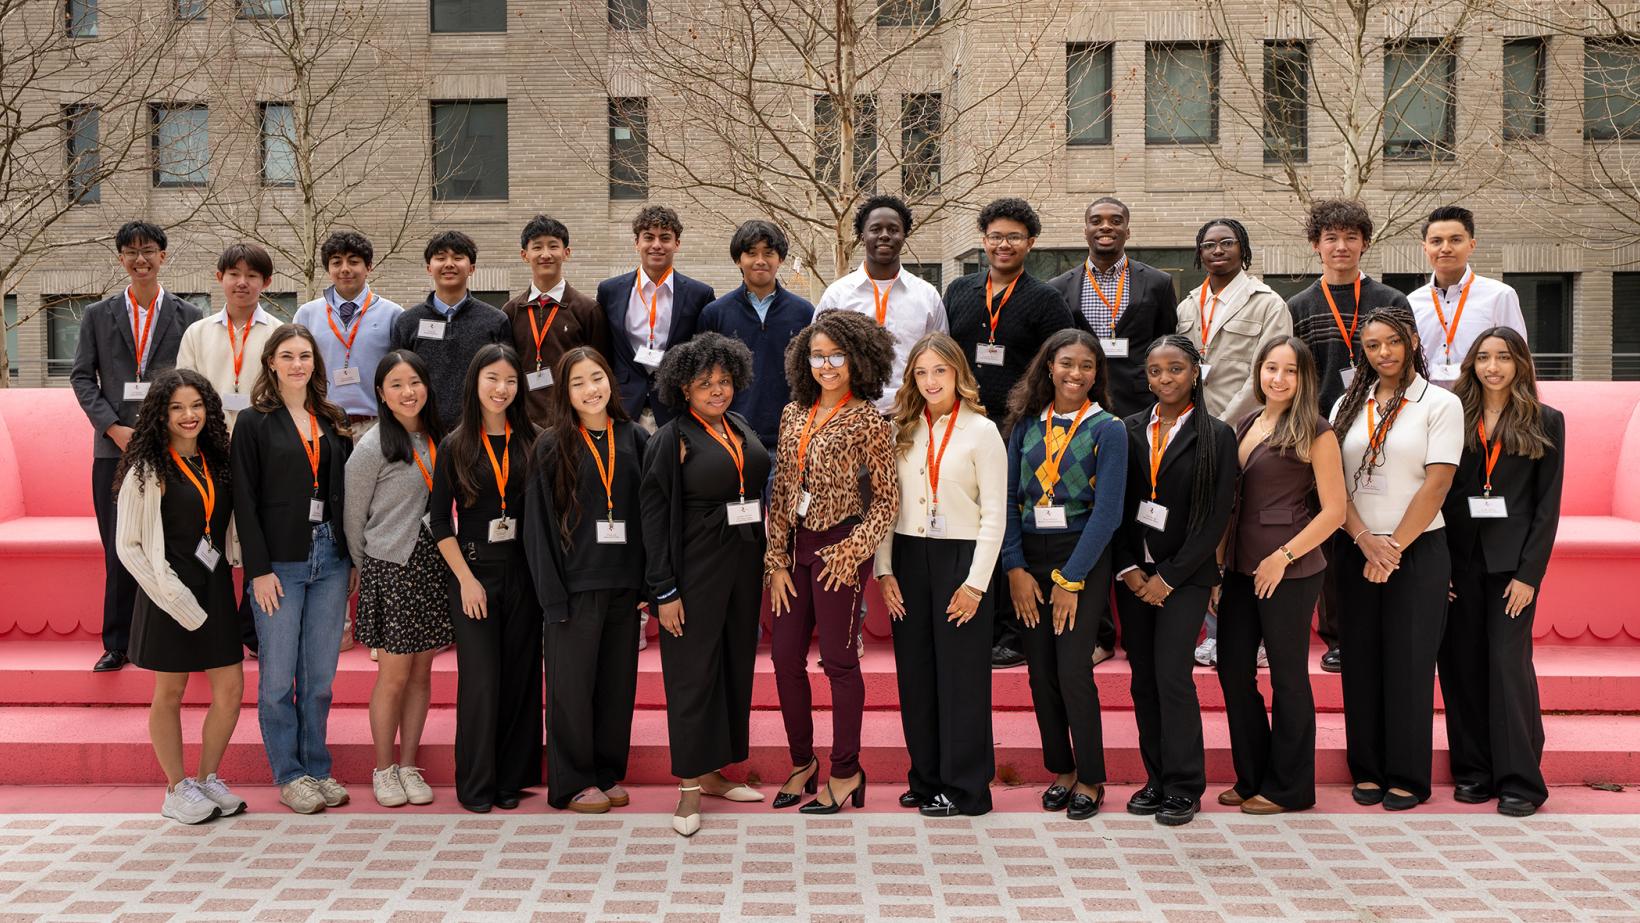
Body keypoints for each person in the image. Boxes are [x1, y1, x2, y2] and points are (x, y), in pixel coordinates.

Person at [639, 333, 772, 836]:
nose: (717, 391)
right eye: (704, 384)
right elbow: (652, 518)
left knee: (733, 668)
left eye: (724, 381)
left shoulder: (737, 424)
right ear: (683, 389)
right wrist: (664, 591)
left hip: (742, 564)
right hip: (694, 569)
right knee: (693, 675)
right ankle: (689, 791)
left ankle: (716, 774)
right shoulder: (670, 439)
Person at [766, 310, 898, 815]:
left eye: (837, 355)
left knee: (840, 664)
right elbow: (781, 489)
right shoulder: (793, 413)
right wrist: (775, 558)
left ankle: (846, 771)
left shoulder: (869, 419)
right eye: (818, 355)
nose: (827, 365)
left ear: (858, 359)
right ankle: (803, 762)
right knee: (783, 659)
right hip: (793, 550)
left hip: (840, 550)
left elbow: (885, 502)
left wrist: (851, 552)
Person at [943, 198, 1082, 670]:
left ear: (1031, 244)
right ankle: (972, 617)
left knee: (1004, 522)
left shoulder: (1045, 300)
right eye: (996, 236)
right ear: (983, 241)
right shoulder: (959, 290)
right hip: (963, 424)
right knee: (968, 518)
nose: (1004, 244)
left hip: (1018, 429)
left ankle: (1011, 632)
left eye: (1015, 237)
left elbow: (1059, 363)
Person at [1331, 306, 1461, 811]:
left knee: (1409, 663)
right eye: (1371, 346)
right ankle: (1366, 768)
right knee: (1360, 661)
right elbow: (1335, 484)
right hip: (1356, 544)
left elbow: (1439, 481)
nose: (1383, 353)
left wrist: (1392, 549)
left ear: (1410, 342)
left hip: (1416, 548)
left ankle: (1407, 775)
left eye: (1392, 342)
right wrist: (1365, 540)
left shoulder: (1440, 404)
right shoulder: (1347, 402)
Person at [875, 333, 1007, 817]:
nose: (931, 381)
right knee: (916, 675)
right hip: (909, 557)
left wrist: (975, 584)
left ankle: (966, 788)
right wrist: (885, 570)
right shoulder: (901, 428)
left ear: (958, 375)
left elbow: (995, 515)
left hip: (962, 559)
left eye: (941, 371)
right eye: (922, 372)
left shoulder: (981, 431)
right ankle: (926, 777)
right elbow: (889, 506)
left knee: (962, 679)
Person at [999, 329, 1128, 821]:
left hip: (1082, 557)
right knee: (1040, 673)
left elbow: (1109, 513)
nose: (1076, 374)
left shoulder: (1108, 429)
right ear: (1049, 367)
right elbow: (1009, 499)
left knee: (1073, 670)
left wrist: (1070, 580)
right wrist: (1013, 566)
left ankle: (1092, 777)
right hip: (1028, 558)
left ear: (1098, 373)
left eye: (1087, 366)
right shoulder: (1026, 423)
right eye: (1067, 364)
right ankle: (1062, 769)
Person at [1216, 336, 1347, 816]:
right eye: (1271, 368)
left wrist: (1283, 557)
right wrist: (1220, 564)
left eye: (1290, 371)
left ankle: (1290, 787)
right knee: (1233, 672)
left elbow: (1334, 512)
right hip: (1237, 567)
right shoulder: (1249, 421)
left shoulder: (1315, 430)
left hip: (1288, 572)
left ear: (1305, 378)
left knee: (1289, 678)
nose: (1278, 378)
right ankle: (1252, 775)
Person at [1112, 335, 1236, 826]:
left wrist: (1168, 576)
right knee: (1143, 681)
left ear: (1196, 372)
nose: (1166, 379)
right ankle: (1156, 778)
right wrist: (1129, 569)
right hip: (1135, 576)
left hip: (1183, 577)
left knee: (1172, 676)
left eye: (1176, 369)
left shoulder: (1217, 435)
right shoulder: (1128, 429)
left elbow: (1215, 518)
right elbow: (1116, 509)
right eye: (1156, 371)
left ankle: (1184, 785)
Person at [1439, 327, 1563, 817]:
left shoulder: (1547, 422)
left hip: (1513, 570)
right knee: (1461, 667)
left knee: (1507, 668)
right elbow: (1442, 493)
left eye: (1504, 358)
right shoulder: (1455, 415)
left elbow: (1546, 507)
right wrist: (1441, 565)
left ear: (1520, 364)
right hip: (1459, 563)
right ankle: (1473, 771)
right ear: (1472, 364)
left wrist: (1530, 575)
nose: (1493, 367)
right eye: (1484, 357)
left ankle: (1520, 780)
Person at [230, 324, 354, 814]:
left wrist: (352, 561)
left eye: (306, 355)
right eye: (288, 355)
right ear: (271, 364)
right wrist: (258, 571)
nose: (298, 363)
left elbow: (344, 495)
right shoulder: (254, 422)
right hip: (279, 562)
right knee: (278, 679)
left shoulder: (333, 417)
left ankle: (317, 768)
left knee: (320, 677)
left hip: (330, 557)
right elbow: (245, 499)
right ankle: (289, 772)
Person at [113, 368, 246, 824]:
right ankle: (176, 788)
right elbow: (128, 546)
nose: (188, 416)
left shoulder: (217, 460)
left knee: (231, 687)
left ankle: (207, 778)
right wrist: (170, 593)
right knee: (170, 691)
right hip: (168, 591)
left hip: (213, 586)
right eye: (176, 408)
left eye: (196, 406)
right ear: (160, 415)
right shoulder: (147, 470)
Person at [71, 220, 203, 672]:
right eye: (131, 252)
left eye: (148, 250)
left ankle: (178, 631)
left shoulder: (189, 317)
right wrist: (111, 427)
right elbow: (82, 377)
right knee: (119, 544)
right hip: (114, 450)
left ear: (163, 257)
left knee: (173, 543)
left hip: (171, 448)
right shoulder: (98, 315)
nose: (140, 259)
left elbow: (193, 383)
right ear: (121, 259)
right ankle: (118, 641)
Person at [1287, 200, 1411, 675]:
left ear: (1365, 242)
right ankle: (1338, 635)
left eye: (1351, 237)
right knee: (1334, 534)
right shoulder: (1298, 305)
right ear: (1316, 245)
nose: (1342, 246)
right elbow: (1296, 377)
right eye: (1331, 238)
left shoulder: (1391, 301)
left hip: (1381, 428)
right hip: (1320, 436)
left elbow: (1406, 364)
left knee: (1384, 522)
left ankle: (1390, 623)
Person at [523, 347, 648, 813]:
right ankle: (571, 780)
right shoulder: (552, 444)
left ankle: (605, 771)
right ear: (565, 393)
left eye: (597, 377)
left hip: (625, 586)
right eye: (577, 383)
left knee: (617, 688)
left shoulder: (635, 438)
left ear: (610, 382)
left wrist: (649, 587)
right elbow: (537, 525)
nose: (590, 389)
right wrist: (551, 596)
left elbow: (648, 517)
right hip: (573, 586)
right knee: (571, 689)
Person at [428, 344, 541, 813]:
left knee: (520, 678)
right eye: (492, 379)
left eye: (511, 381)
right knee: (480, 681)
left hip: (523, 572)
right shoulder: (456, 444)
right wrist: (467, 581)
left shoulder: (532, 440)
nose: (502, 389)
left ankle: (510, 778)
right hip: (473, 573)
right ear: (475, 383)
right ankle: (476, 784)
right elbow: (439, 524)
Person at [1176, 218, 1292, 666]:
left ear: (1243, 249)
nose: (1217, 250)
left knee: (1245, 526)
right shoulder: (1189, 303)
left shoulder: (1268, 303)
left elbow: (1268, 371)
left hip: (1246, 428)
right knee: (1204, 527)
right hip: (1192, 430)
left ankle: (1258, 637)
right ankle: (1210, 633)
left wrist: (1220, 426)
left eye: (1227, 243)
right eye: (1209, 244)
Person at [342, 350, 449, 808]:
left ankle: (409, 765)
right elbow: (352, 515)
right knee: (394, 675)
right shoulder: (371, 447)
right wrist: (368, 570)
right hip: (391, 566)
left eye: (415, 382)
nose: (409, 393)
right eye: (397, 385)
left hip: (432, 564)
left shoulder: (436, 437)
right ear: (382, 396)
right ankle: (383, 769)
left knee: (423, 673)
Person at [815, 195, 947, 414]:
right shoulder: (837, 295)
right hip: (849, 415)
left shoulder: (927, 296)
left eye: (893, 229)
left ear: (904, 235)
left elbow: (941, 358)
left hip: (911, 416)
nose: (885, 235)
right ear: (862, 235)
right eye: (876, 229)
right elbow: (818, 357)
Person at [1051, 197, 1181, 418]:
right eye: (1096, 221)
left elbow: (1165, 343)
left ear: (1127, 231)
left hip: (1139, 404)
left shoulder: (1158, 283)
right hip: (1078, 400)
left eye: (1116, 221)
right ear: (1086, 231)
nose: (1105, 226)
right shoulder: (1058, 288)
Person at [697, 219, 814, 453]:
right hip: (731, 438)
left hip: (792, 439)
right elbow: (703, 378)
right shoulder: (715, 313)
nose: (760, 261)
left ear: (780, 259)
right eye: (751, 253)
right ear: (738, 260)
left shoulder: (804, 312)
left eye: (768, 253)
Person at [598, 205, 716, 426]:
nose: (656, 245)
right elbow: (603, 350)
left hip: (675, 407)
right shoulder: (610, 291)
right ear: (637, 243)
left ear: (677, 244)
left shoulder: (700, 294)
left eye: (665, 238)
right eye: (649, 237)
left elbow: (703, 355)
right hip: (623, 406)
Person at [389, 230, 511, 431]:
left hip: (478, 430)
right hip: (422, 430)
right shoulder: (408, 322)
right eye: (440, 258)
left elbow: (506, 378)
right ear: (429, 268)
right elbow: (395, 378)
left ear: (471, 268)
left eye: (458, 258)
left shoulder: (495, 320)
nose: (449, 264)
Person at [500, 215, 612, 428]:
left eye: (553, 246)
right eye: (537, 247)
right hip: (524, 424)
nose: (545, 254)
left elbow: (602, 370)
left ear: (566, 253)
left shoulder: (587, 309)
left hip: (573, 422)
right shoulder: (511, 311)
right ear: (524, 255)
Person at [294, 231, 405, 433]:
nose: (345, 269)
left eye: (353, 262)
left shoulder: (393, 314)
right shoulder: (307, 314)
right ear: (328, 269)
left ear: (368, 267)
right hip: (321, 424)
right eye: (336, 263)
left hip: (378, 425)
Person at [1410, 206, 1529, 385]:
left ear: (1471, 245)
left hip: (1481, 402)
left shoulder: (1500, 296)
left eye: (1455, 240)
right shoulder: (1411, 302)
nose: (1445, 248)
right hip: (1427, 403)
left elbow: (1519, 358)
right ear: (1425, 248)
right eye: (1436, 241)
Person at [175, 243, 283, 430]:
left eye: (251, 275)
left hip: (264, 437)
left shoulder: (279, 334)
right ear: (220, 277)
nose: (242, 282)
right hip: (209, 437)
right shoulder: (197, 333)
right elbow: (184, 390)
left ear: (266, 282)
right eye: (234, 274)